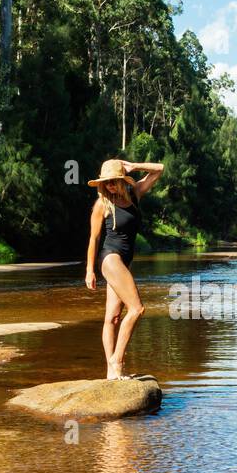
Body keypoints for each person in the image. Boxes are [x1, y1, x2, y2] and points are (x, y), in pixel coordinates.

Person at [85, 158, 165, 379]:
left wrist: (135, 166)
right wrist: (90, 270)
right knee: (137, 309)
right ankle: (117, 361)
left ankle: (110, 374)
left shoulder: (134, 195)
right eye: (106, 182)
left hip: (125, 260)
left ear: (122, 180)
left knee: (112, 317)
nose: (110, 185)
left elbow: (159, 170)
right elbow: (94, 238)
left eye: (114, 181)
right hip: (110, 259)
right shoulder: (102, 204)